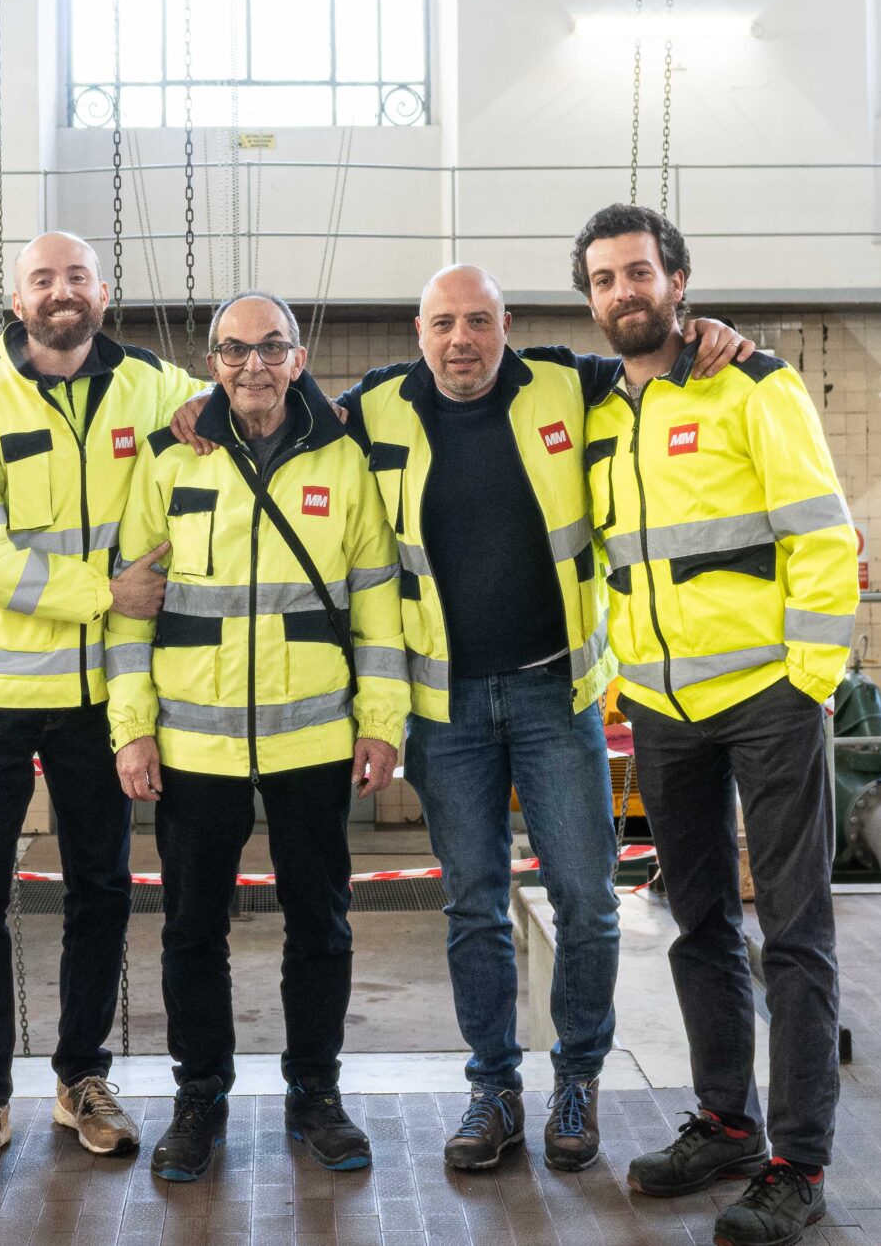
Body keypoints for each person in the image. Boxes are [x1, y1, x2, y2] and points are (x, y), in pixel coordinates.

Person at [334, 265, 753, 1174]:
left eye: (478, 322)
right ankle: (492, 1089)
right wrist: (199, 414)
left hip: (553, 695)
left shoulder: (567, 379)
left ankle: (576, 1080)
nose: (461, 340)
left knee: (588, 903)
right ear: (417, 330)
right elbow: (277, 418)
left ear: (506, 325)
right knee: (473, 905)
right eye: (443, 323)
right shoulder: (375, 407)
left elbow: (658, 359)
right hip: (444, 705)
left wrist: (709, 328)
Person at [573, 203, 859, 1246]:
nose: (623, 293)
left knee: (793, 933)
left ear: (678, 281)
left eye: (638, 273)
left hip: (766, 703)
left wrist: (809, 680)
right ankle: (725, 1122)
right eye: (603, 280)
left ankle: (798, 1162)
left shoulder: (754, 384)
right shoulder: (603, 411)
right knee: (695, 926)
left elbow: (822, 538)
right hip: (659, 707)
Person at [105, 292, 410, 1183]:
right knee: (192, 930)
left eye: (271, 347)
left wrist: (381, 722)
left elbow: (380, 611)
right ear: (212, 364)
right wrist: (133, 730)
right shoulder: (171, 462)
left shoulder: (344, 463)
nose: (253, 366)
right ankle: (200, 1095)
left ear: (300, 356)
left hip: (314, 744)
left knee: (321, 926)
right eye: (233, 351)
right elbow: (130, 613)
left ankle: (315, 1092)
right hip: (192, 751)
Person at [0, 231, 203, 1183]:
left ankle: (82, 1076)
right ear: (17, 296)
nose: (61, 292)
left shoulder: (153, 387)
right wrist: (102, 591)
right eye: (43, 278)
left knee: (102, 890)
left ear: (102, 290)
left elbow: (240, 402)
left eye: (76, 277)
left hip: (96, 700)